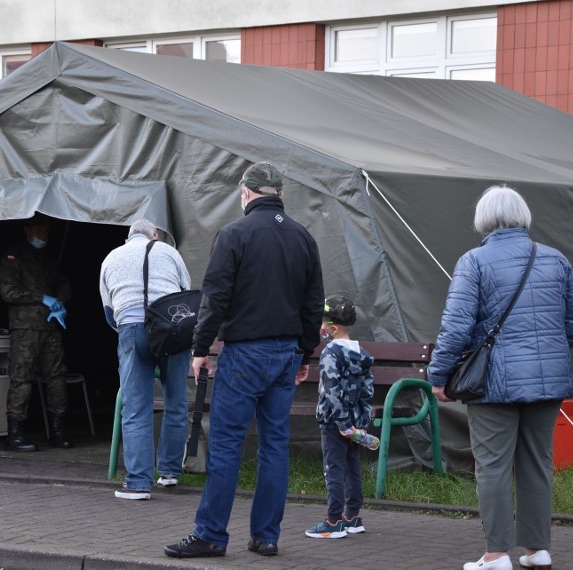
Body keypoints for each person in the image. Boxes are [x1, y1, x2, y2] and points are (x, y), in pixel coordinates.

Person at [164, 161, 324, 559]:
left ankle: (212, 535)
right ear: (279, 193)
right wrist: (305, 351)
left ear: (246, 192)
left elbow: (215, 298)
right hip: (286, 354)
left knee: (226, 444)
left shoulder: (234, 234)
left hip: (245, 353)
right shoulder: (304, 238)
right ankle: (266, 536)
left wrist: (200, 350)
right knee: (275, 446)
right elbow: (312, 304)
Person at [427, 185, 573, 570]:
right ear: (523, 215)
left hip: (493, 384)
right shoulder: (555, 258)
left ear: (483, 219)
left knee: (493, 466)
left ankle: (496, 554)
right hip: (548, 382)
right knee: (536, 463)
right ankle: (537, 550)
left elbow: (456, 328)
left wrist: (439, 375)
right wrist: (545, 356)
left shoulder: (474, 260)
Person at [99, 218, 192, 500]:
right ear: (154, 235)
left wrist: (129, 331)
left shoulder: (111, 257)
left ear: (128, 238)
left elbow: (108, 307)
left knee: (136, 407)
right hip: (172, 331)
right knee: (176, 402)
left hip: (132, 329)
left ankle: (138, 482)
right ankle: (170, 472)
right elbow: (186, 294)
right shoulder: (170, 252)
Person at [0, 213, 73, 452]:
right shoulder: (13, 257)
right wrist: (42, 298)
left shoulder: (47, 259)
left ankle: (58, 429)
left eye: (47, 230)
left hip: (50, 327)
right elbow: (8, 292)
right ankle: (16, 432)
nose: (44, 235)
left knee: (56, 378)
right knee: (22, 378)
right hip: (25, 329)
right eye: (40, 230)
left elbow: (64, 283)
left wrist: (59, 301)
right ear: (28, 230)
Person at [305, 296, 375, 540]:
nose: (320, 328)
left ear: (332, 329)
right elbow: (368, 391)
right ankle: (352, 517)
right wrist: (359, 424)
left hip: (334, 423)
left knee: (333, 470)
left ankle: (333, 521)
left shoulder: (330, 354)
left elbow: (332, 390)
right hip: (355, 423)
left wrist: (343, 424)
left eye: (323, 324)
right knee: (352, 468)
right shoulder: (362, 355)